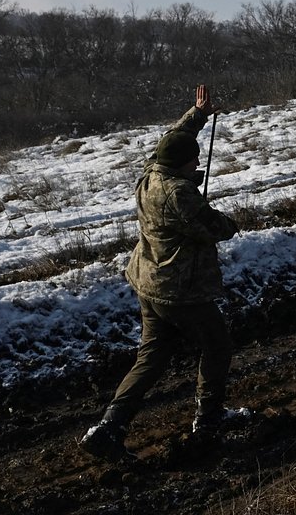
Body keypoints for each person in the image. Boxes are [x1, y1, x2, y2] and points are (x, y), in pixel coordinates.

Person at [80, 84, 241, 462]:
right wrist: (231, 223)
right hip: (179, 290)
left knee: (152, 356)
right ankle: (209, 422)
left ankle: (109, 427)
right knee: (217, 347)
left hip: (149, 281)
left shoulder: (153, 170)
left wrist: (198, 114)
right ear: (184, 165)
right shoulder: (177, 195)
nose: (196, 165)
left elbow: (174, 140)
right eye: (193, 162)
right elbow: (211, 227)